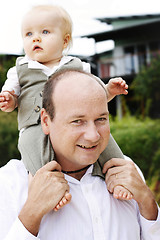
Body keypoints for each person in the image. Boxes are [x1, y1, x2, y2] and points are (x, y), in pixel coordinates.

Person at [0, 69, 159, 240]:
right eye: (77, 121)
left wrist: (148, 202)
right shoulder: (9, 184)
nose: (93, 135)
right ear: (46, 121)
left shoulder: (127, 170)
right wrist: (31, 215)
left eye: (101, 119)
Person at [0, 4, 131, 203]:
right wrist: (9, 101)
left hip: (76, 122)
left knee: (99, 138)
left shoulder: (78, 66)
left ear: (65, 40)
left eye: (45, 32)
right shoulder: (19, 69)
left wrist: (108, 91)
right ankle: (49, 187)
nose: (36, 38)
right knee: (31, 147)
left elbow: (93, 98)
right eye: (28, 34)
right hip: (34, 124)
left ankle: (118, 176)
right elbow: (11, 98)